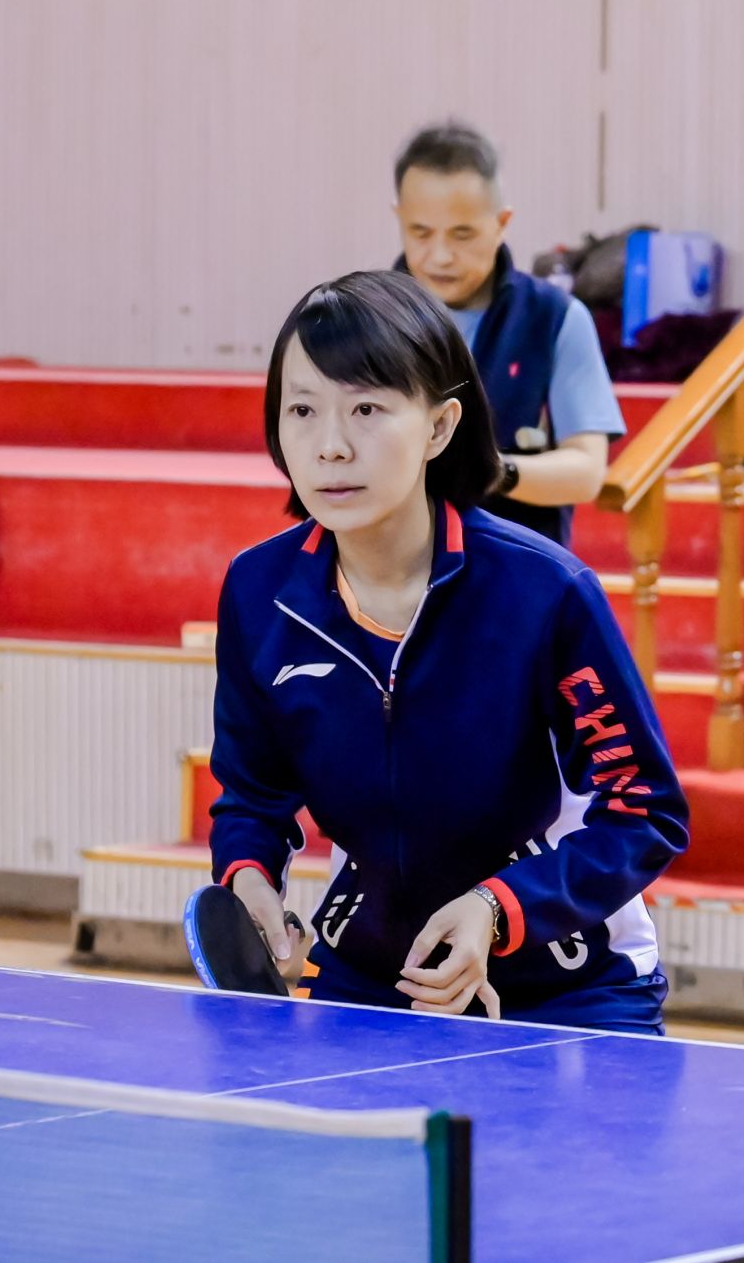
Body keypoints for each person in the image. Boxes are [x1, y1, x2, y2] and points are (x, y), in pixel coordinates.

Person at [209, 270, 687, 1033]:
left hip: (569, 983)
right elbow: (251, 791)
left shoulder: (545, 594)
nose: (330, 445)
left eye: (367, 409)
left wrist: (498, 908)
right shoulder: (259, 592)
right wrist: (249, 878)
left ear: (439, 427)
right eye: (302, 409)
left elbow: (644, 810)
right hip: (371, 973)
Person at [393, 120, 625, 545]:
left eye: (462, 234)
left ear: (502, 223)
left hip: (518, 562)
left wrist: (493, 471)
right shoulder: (368, 316)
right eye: (420, 232)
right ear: (400, 218)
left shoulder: (554, 317)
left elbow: (587, 471)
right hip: (393, 564)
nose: (440, 256)